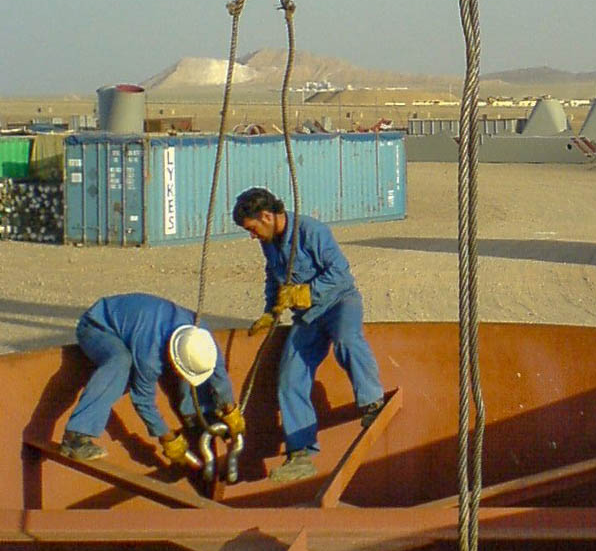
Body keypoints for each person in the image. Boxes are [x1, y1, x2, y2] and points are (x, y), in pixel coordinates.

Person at [232, 186, 386, 480]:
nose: (252, 236)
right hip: (309, 318)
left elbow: (340, 273)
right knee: (290, 379)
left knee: (346, 339)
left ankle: (371, 402)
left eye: (252, 229)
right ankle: (301, 453)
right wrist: (271, 309)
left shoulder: (312, 231)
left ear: (266, 216)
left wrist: (308, 291)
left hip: (339, 302)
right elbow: (273, 275)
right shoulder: (270, 242)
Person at [60, 293, 239, 465]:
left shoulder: (200, 333)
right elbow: (143, 401)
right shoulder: (149, 357)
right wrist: (167, 438)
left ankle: (197, 414)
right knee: (121, 363)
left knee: (193, 369)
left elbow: (217, 371)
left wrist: (230, 410)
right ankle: (76, 436)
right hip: (97, 325)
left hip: (139, 322)